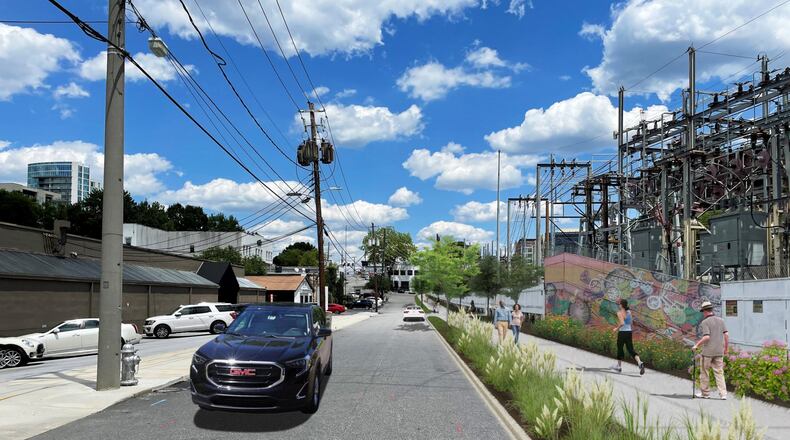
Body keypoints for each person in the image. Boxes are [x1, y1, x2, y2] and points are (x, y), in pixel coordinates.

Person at [692, 301, 728, 400]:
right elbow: (726, 335)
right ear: (711, 310)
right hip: (719, 351)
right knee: (719, 373)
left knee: (704, 372)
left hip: (707, 352)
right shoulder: (721, 320)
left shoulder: (705, 322)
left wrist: (696, 345)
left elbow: (706, 337)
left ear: (704, 311)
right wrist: (726, 348)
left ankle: (705, 393)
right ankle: (723, 394)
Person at [611, 299, 646, 375]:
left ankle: (619, 367)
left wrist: (616, 328)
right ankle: (640, 363)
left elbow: (622, 323)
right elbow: (630, 322)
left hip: (622, 333)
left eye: (619, 304)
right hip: (629, 332)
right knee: (631, 349)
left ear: (622, 305)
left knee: (620, 349)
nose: (618, 305)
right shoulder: (629, 312)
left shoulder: (620, 313)